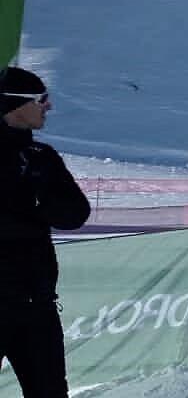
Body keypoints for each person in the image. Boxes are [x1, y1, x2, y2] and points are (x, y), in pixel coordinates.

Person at [0, 67, 91, 398]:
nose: (48, 106)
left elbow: (75, 213)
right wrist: (32, 209)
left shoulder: (42, 157)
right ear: (14, 104)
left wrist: (32, 204)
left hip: (36, 304)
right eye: (41, 99)